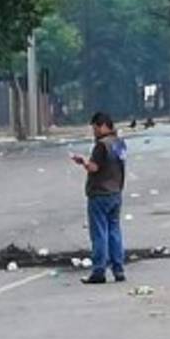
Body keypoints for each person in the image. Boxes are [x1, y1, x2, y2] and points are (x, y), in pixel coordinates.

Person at [72, 111, 127, 284]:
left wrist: (82, 162)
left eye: (95, 128)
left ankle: (99, 271)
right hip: (116, 192)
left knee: (99, 233)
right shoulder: (120, 143)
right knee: (114, 231)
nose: (94, 133)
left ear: (103, 126)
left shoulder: (101, 145)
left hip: (100, 194)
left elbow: (94, 168)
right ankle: (118, 269)